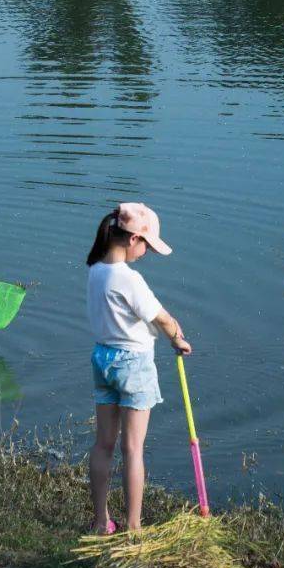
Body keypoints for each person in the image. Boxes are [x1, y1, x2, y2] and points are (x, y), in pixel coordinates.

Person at [86, 203, 191, 535]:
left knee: (104, 444)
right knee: (133, 448)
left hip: (103, 360)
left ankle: (101, 522)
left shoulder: (96, 271)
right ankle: (134, 526)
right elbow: (160, 318)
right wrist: (177, 338)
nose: (146, 252)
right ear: (132, 238)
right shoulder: (128, 278)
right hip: (134, 364)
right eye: (146, 245)